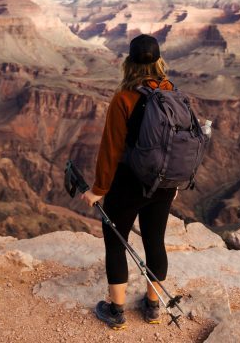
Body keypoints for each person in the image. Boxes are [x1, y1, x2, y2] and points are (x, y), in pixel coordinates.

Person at [81, 34, 178, 330]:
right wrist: (173, 184)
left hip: (128, 185)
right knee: (154, 241)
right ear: (160, 62)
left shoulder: (124, 98)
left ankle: (116, 311)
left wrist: (98, 190)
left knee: (115, 243)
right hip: (162, 183)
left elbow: (110, 150)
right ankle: (152, 307)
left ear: (129, 64)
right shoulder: (172, 93)